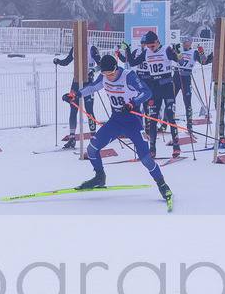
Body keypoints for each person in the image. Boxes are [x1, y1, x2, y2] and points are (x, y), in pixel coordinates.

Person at [64, 54, 173, 210]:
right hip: (116, 121)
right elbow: (93, 86)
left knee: (146, 159)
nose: (108, 77)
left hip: (133, 121)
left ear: (116, 68)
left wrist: (132, 103)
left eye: (110, 73)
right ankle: (99, 177)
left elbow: (146, 92)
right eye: (104, 74)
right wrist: (75, 94)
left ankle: (162, 185)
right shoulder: (105, 76)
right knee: (92, 149)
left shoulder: (129, 77)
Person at [129, 30, 182, 157]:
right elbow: (132, 63)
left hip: (168, 86)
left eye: (152, 45)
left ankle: (176, 146)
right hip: (155, 88)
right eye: (148, 46)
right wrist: (126, 51)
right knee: (152, 119)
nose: (151, 48)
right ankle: (152, 148)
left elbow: (180, 60)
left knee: (170, 116)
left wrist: (178, 52)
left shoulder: (166, 49)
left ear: (157, 41)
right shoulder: (147, 52)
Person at [53, 43, 102, 147]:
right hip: (76, 81)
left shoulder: (91, 48)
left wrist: (93, 70)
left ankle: (93, 137)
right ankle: (72, 138)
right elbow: (67, 61)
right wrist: (58, 61)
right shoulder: (74, 48)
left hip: (88, 82)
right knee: (73, 109)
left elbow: (101, 65)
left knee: (89, 110)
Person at [174, 35, 208, 132]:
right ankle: (165, 122)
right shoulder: (179, 50)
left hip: (186, 77)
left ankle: (189, 124)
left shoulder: (194, 52)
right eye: (183, 40)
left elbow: (203, 62)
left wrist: (202, 52)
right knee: (170, 99)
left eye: (186, 40)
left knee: (187, 101)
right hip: (176, 75)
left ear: (190, 42)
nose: (184, 42)